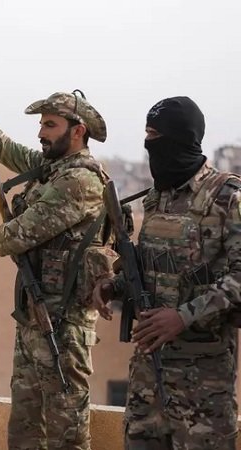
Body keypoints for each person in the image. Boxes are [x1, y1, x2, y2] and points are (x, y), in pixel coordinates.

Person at [0, 63, 116, 449]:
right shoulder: (51, 168)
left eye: (50, 125)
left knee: (66, 436)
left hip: (64, 329)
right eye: (41, 125)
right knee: (24, 433)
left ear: (77, 131)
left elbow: (18, 235)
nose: (40, 133)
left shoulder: (79, 181)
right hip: (35, 319)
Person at [91, 96, 241, 449]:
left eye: (156, 135)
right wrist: (114, 286)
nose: (149, 144)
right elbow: (153, 267)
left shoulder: (227, 198)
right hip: (148, 376)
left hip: (202, 381)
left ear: (182, 138)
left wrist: (182, 316)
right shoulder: (156, 199)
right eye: (147, 134)